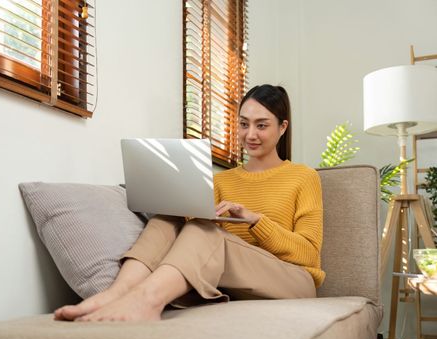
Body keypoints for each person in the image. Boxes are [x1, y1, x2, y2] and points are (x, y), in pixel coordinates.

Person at [54, 84, 325, 322]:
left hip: (293, 281)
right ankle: (114, 294)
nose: (250, 134)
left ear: (283, 127)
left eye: (261, 125)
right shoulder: (221, 181)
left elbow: (309, 255)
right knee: (169, 217)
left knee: (203, 231)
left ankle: (147, 301)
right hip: (236, 280)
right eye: (243, 124)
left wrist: (256, 220)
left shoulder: (303, 177)